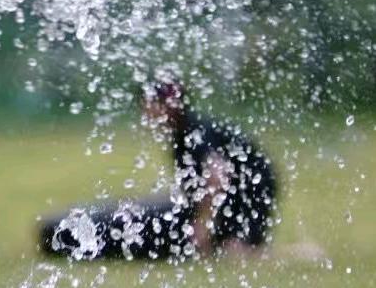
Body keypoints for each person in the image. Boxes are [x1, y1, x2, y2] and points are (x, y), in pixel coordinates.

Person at [41, 79, 276, 261]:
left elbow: (217, 177)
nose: (145, 110)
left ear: (169, 105)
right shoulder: (187, 129)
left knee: (236, 252)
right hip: (248, 193)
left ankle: (270, 250)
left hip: (249, 196)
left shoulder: (194, 133)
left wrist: (203, 227)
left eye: (150, 103)